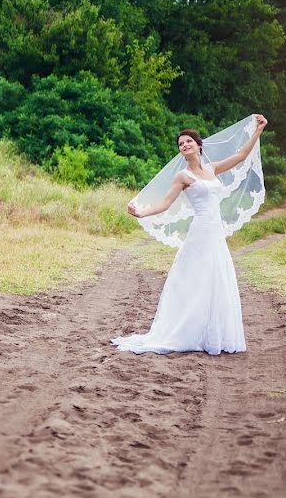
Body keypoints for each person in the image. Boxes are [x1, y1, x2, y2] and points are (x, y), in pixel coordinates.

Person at [111, 114, 268, 355]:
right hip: (200, 232)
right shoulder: (183, 176)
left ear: (198, 145)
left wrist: (257, 131)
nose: (184, 145)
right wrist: (142, 213)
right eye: (181, 144)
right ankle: (186, 330)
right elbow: (164, 204)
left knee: (217, 278)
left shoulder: (212, 168)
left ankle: (212, 334)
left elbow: (240, 156)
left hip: (216, 233)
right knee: (195, 280)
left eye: (188, 141)